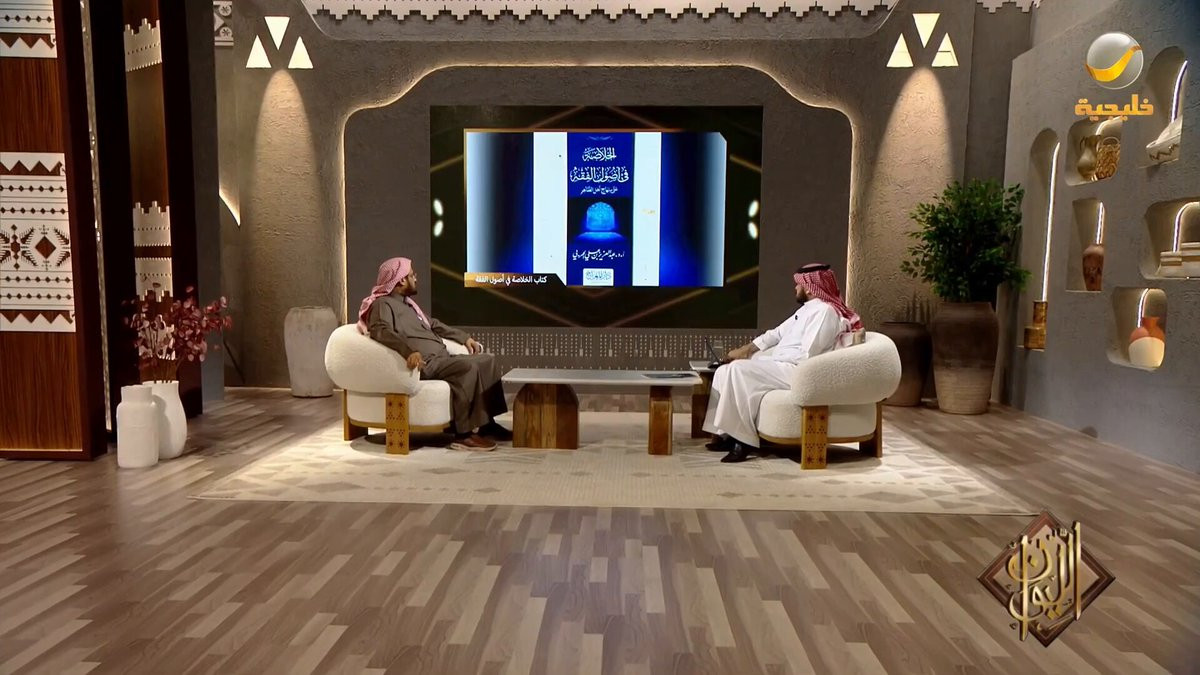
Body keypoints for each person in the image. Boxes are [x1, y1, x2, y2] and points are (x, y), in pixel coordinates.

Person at [703, 263, 863, 463]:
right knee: (724, 370)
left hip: (799, 371)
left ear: (809, 288)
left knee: (737, 370)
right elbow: (776, 334)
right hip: (781, 365)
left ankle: (742, 441)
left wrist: (769, 360)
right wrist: (746, 350)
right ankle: (724, 434)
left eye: (798, 284)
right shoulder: (806, 310)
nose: (795, 288)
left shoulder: (825, 312)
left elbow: (809, 354)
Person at [358, 257, 510, 451]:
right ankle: (463, 435)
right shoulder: (382, 305)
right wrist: (408, 352)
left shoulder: (408, 305)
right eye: (412, 275)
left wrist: (464, 337)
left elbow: (433, 324)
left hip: (441, 358)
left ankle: (487, 424)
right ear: (401, 280)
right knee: (468, 367)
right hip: (425, 363)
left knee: (487, 360)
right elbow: (381, 330)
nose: (416, 278)